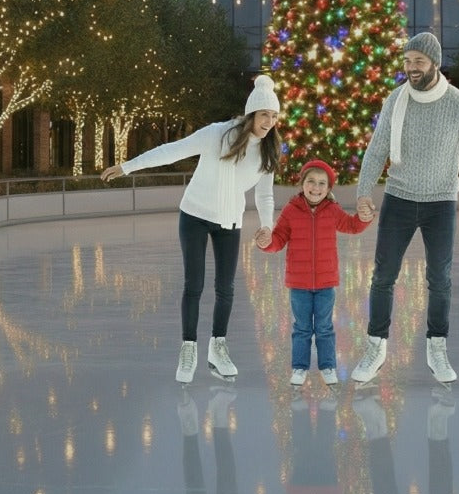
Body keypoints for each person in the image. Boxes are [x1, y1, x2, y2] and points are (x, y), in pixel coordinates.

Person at [102, 74, 281, 383]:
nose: (270, 121)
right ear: (252, 113)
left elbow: (264, 193)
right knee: (193, 285)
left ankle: (218, 348)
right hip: (195, 215)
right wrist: (127, 166)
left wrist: (267, 225)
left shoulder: (268, 151)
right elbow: (172, 150)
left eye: (275, 115)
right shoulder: (216, 134)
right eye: (265, 114)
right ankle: (188, 349)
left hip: (229, 220)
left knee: (226, 288)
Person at [351, 31, 459, 385]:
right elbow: (377, 149)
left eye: (418, 61)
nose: (411, 68)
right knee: (383, 276)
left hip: (440, 203)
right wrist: (363, 193)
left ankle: (437, 346)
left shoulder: (458, 103)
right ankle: (376, 346)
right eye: (407, 61)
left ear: (435, 62)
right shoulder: (395, 100)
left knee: (440, 280)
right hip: (399, 199)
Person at [258, 158, 375, 387]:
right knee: (301, 328)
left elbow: (351, 226)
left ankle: (328, 366)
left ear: (329, 189)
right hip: (299, 284)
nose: (316, 187)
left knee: (324, 327)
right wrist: (266, 242)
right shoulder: (291, 210)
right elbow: (278, 239)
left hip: (325, 282)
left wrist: (364, 218)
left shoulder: (332, 210)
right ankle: (299, 368)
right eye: (311, 181)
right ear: (302, 184)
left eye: (322, 183)